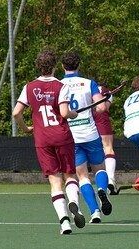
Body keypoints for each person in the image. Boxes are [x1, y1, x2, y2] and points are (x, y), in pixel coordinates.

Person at [12, 49, 86, 235]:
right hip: (62, 136)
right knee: (70, 175)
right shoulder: (61, 86)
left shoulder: (29, 87)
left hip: (42, 138)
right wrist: (74, 113)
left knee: (54, 181)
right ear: (54, 66)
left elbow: (16, 113)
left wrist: (25, 128)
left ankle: (64, 223)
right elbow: (63, 113)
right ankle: (74, 203)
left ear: (38, 66)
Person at [59, 52, 113, 224]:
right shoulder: (89, 83)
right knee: (99, 168)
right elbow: (101, 108)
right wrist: (103, 101)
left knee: (82, 176)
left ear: (62, 67)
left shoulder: (58, 85)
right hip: (90, 133)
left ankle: (95, 212)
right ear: (79, 65)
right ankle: (103, 190)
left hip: (71, 137)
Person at [94, 83, 118, 194]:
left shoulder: (84, 86)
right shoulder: (105, 90)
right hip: (101, 118)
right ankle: (111, 180)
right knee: (108, 148)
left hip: (86, 120)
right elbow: (105, 108)